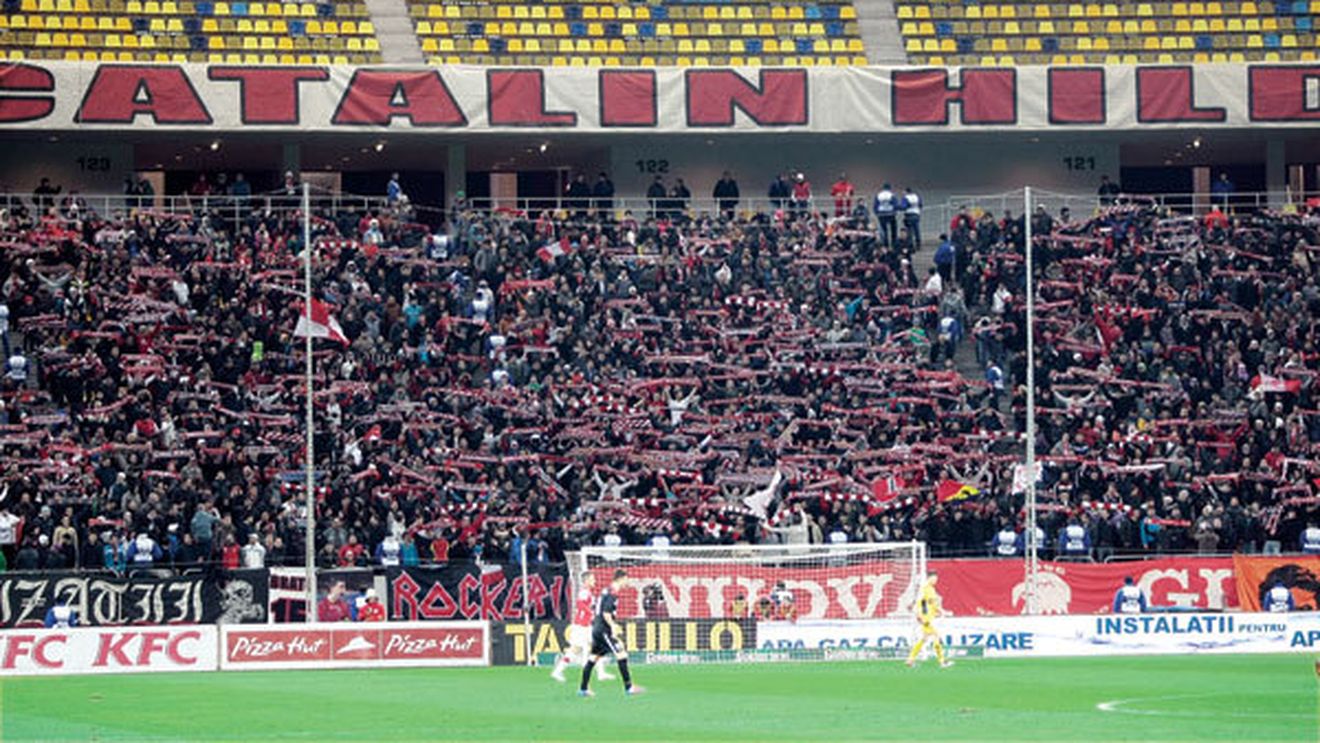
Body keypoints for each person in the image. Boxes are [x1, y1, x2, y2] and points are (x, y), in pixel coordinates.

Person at [579, 569, 642, 697]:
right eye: (627, 579)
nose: (627, 582)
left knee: (593, 658)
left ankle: (583, 689)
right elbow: (606, 613)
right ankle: (629, 687)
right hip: (603, 630)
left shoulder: (605, 591)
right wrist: (613, 626)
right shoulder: (612, 593)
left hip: (597, 629)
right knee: (621, 654)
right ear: (621, 578)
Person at [551, 571, 613, 683]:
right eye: (592, 579)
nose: (594, 581)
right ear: (587, 581)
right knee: (580, 648)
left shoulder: (587, 592)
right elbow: (580, 604)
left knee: (581, 648)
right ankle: (593, 671)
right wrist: (591, 614)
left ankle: (599, 673)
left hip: (584, 625)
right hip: (581, 626)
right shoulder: (584, 592)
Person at [906, 573, 952, 668]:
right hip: (927, 618)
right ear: (929, 578)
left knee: (924, 638)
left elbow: (923, 604)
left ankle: (910, 659)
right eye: (934, 578)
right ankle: (942, 661)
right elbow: (932, 604)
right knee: (936, 636)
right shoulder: (929, 589)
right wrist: (943, 612)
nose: (935, 580)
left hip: (926, 617)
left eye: (936, 579)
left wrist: (921, 615)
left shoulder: (923, 589)